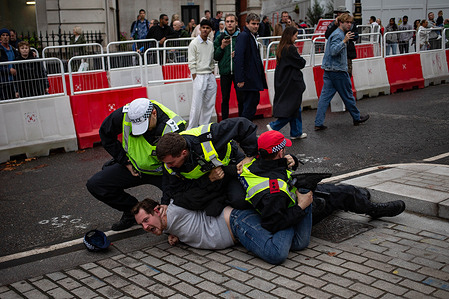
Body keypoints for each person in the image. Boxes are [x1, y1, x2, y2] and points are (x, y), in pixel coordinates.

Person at [238, 130, 406, 233]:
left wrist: (293, 162)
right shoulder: (273, 190)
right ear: (279, 152)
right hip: (295, 210)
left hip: (290, 197)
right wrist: (301, 207)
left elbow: (274, 170)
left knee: (337, 191)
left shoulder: (255, 165)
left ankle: (358, 198)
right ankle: (372, 209)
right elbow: (273, 223)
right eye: (284, 149)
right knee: (338, 196)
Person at [86, 98, 186, 231]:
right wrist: (125, 161)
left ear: (154, 113)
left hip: (163, 172)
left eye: (145, 125)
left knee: (182, 203)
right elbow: (105, 133)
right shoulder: (125, 114)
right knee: (96, 184)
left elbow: (174, 168)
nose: (142, 131)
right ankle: (132, 212)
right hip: (134, 167)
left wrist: (166, 201)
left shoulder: (172, 128)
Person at [155, 117, 258, 217]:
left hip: (233, 165)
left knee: (242, 199)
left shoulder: (208, 136)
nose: (167, 166)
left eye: (171, 162)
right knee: (203, 206)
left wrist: (250, 155)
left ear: (184, 153)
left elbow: (242, 124)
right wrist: (165, 201)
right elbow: (171, 184)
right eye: (165, 163)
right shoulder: (169, 162)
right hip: (210, 180)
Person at [314, 13, 369, 131]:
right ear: (341, 23)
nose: (349, 25)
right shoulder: (339, 35)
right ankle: (356, 117)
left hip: (329, 70)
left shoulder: (339, 33)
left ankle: (318, 123)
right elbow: (334, 51)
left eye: (350, 22)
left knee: (324, 98)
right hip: (338, 70)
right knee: (348, 95)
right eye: (347, 22)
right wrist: (344, 41)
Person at [266, 26, 307, 139]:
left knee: (295, 107)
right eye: (295, 35)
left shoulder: (281, 47)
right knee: (293, 108)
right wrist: (300, 56)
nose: (296, 38)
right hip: (292, 83)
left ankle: (296, 132)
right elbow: (301, 63)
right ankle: (275, 126)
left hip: (284, 81)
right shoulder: (291, 49)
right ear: (290, 36)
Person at [234, 13, 268, 120]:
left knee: (252, 105)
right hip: (248, 79)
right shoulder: (244, 36)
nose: (256, 26)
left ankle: (245, 131)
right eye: (253, 24)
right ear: (247, 24)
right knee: (248, 108)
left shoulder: (252, 36)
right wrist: (240, 79)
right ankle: (244, 132)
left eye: (257, 24)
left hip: (252, 78)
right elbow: (239, 58)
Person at [186, 19, 217, 130]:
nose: (205, 30)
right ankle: (191, 129)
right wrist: (194, 75)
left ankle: (203, 128)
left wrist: (212, 73)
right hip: (199, 75)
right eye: (203, 27)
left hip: (209, 75)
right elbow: (191, 61)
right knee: (197, 105)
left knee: (209, 104)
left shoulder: (210, 44)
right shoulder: (194, 43)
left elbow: (212, 60)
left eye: (207, 28)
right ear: (199, 29)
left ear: (210, 30)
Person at [214, 13, 242, 120]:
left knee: (241, 99)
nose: (229, 24)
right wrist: (222, 46)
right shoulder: (220, 37)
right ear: (225, 23)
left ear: (236, 23)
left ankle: (241, 122)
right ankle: (224, 123)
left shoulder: (241, 37)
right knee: (225, 99)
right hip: (225, 73)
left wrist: (238, 54)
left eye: (232, 21)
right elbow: (216, 57)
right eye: (227, 22)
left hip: (238, 73)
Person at [325, 6, 358, 76]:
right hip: (335, 58)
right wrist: (335, 25)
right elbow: (327, 35)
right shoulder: (334, 24)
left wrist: (347, 36)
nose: (339, 15)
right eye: (338, 13)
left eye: (342, 13)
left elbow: (356, 36)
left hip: (347, 52)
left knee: (347, 74)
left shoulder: (351, 24)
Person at [0, 28, 18, 100]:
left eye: (7, 35)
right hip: (3, 81)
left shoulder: (12, 49)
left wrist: (32, 53)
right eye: (3, 35)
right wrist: (8, 70)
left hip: (13, 81)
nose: (5, 37)